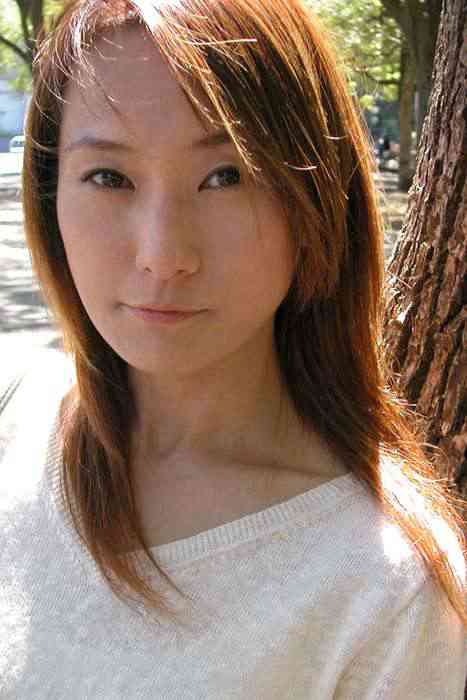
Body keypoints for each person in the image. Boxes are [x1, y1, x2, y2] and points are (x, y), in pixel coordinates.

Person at [1, 0, 466, 697]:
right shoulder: (18, 411)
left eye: (227, 175)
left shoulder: (385, 594)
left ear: (316, 201)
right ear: (50, 196)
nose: (163, 255)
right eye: (109, 177)